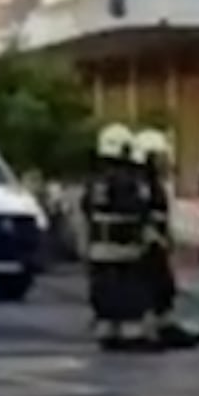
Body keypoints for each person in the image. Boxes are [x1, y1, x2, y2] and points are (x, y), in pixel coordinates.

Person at [81, 123, 155, 351]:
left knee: (104, 293)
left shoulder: (95, 180)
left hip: (99, 249)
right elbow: (141, 208)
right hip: (126, 250)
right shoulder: (130, 180)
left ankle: (107, 329)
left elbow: (86, 209)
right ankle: (129, 334)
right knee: (129, 296)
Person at [131, 128, 199, 349]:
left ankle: (165, 324)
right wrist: (153, 238)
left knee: (163, 285)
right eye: (160, 157)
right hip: (146, 247)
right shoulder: (141, 184)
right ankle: (151, 326)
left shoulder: (155, 184)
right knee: (150, 285)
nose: (166, 163)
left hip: (158, 243)